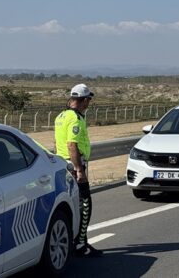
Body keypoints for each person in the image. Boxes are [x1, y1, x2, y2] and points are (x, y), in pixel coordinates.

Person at [54, 84, 103, 257]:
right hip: (74, 165)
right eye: (88, 99)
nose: (89, 103)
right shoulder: (75, 118)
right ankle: (81, 243)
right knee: (85, 203)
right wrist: (79, 169)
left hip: (63, 163)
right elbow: (71, 145)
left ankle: (78, 241)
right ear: (82, 100)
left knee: (74, 204)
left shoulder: (61, 116)